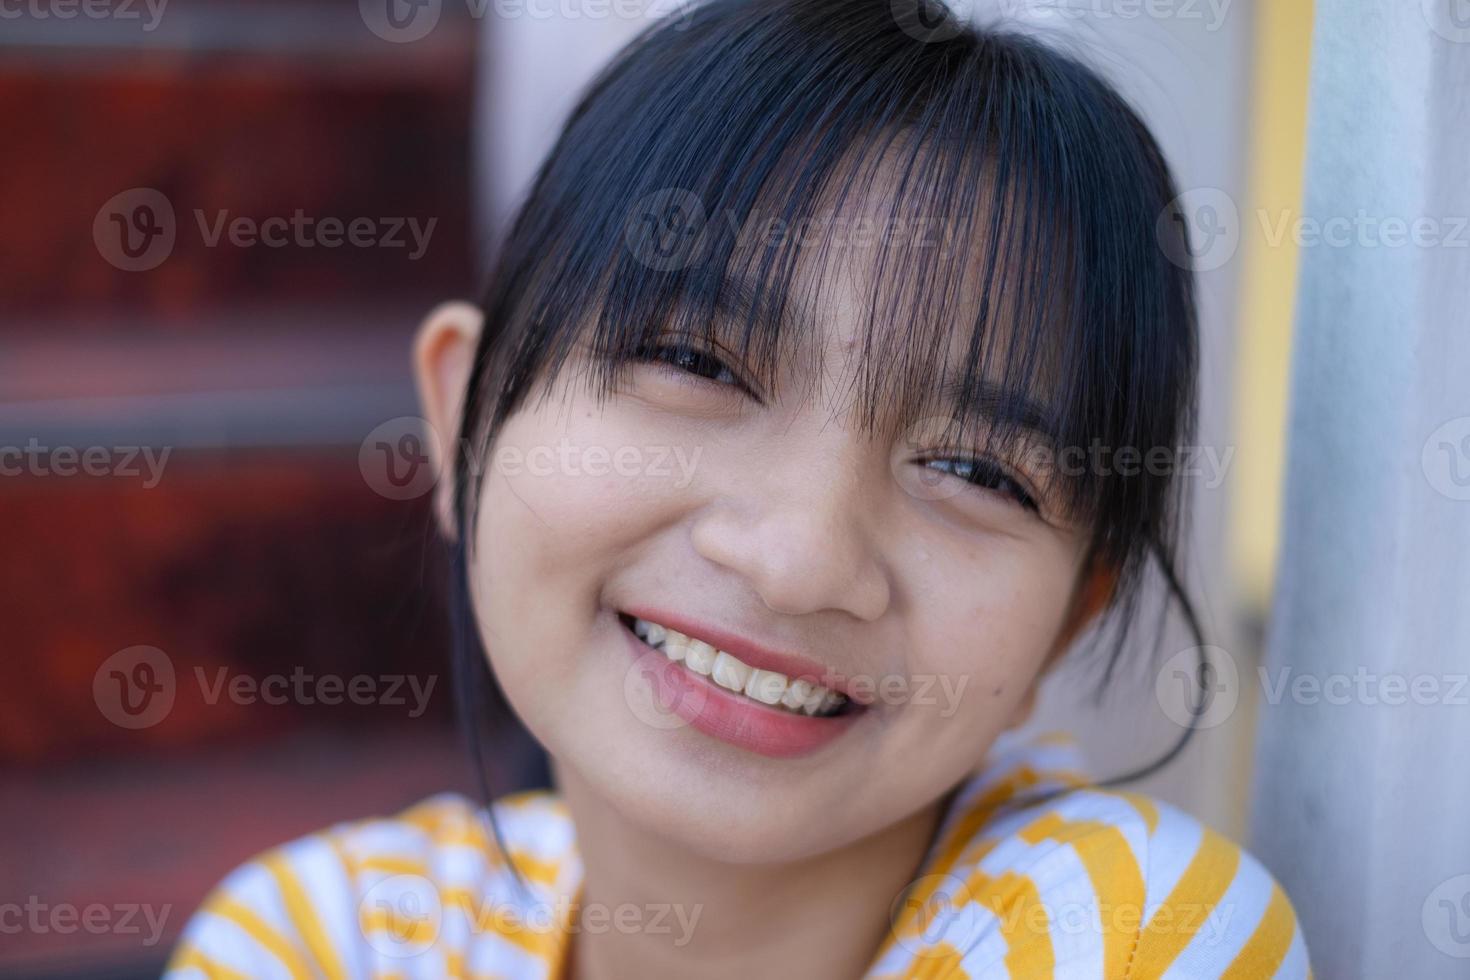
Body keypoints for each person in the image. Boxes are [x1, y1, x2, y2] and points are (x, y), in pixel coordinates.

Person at [165, 1, 1309, 976]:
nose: (800, 555)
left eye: (973, 468)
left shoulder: (1127, 929)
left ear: (1071, 617)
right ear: (464, 419)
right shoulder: (331, 937)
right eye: (700, 363)